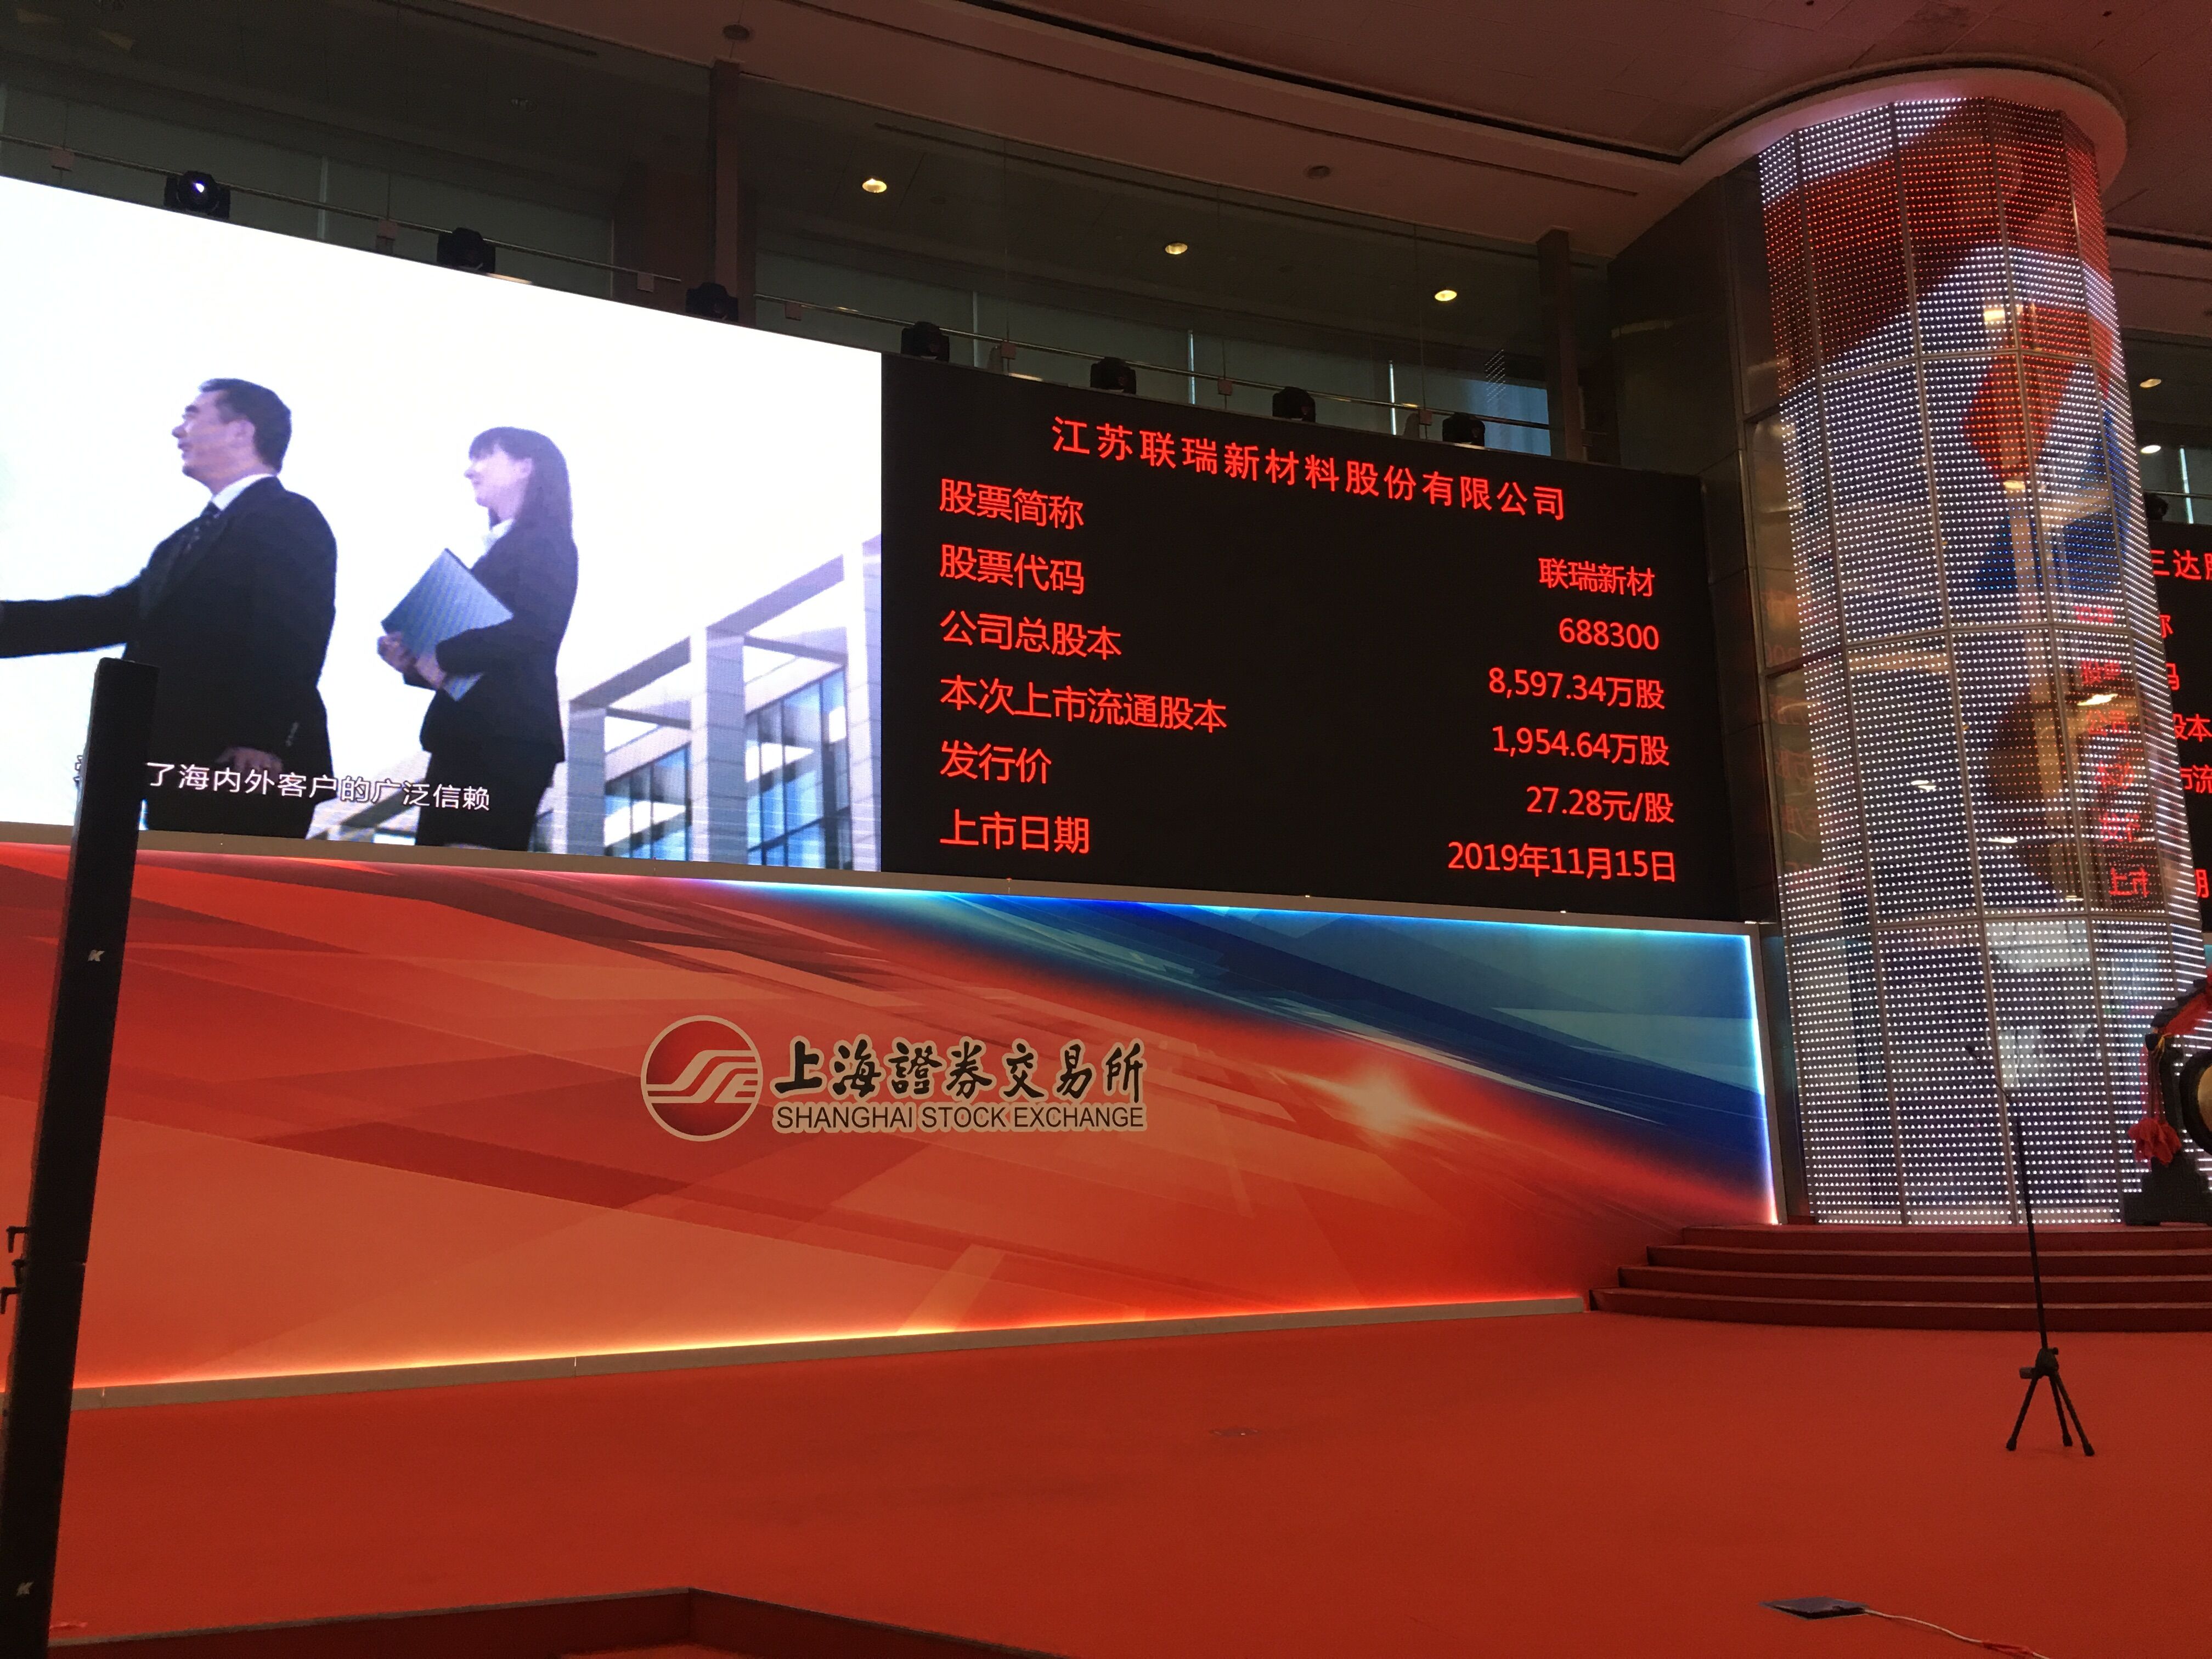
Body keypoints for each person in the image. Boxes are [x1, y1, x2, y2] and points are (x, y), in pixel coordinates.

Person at [0, 379, 336, 838]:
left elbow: (295, 632)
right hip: (177, 769)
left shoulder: (288, 515)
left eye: (192, 416)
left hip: (244, 771)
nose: (178, 431)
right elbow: (107, 616)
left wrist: (260, 739)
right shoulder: (182, 543)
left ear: (241, 431)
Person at [379, 427, 576, 850]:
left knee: (468, 868)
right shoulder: (497, 551)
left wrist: (444, 654)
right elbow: (481, 649)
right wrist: (415, 660)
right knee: (439, 871)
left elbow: (535, 628)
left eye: (485, 456)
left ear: (525, 467)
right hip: (468, 735)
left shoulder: (548, 541)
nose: (471, 471)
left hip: (507, 739)